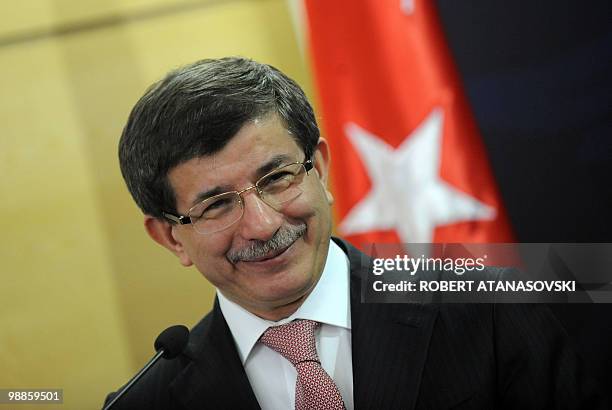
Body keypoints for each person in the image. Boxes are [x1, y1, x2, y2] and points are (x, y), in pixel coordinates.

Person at [105, 57, 605, 409]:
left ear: (319, 169)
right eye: (216, 204)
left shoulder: (491, 312)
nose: (264, 224)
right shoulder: (146, 402)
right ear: (171, 238)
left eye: (277, 178)